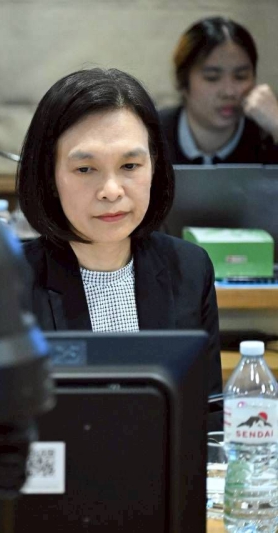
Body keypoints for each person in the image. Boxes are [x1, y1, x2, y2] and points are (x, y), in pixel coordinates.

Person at [17, 68, 222, 422]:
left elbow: (208, 416)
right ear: (49, 177)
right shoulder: (9, 283)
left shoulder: (190, 269)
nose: (111, 191)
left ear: (154, 166)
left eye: (130, 165)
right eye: (85, 169)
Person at [160, 16, 278, 164]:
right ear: (182, 81)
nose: (229, 92)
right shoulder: (151, 134)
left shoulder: (267, 134)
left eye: (241, 76)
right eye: (212, 78)